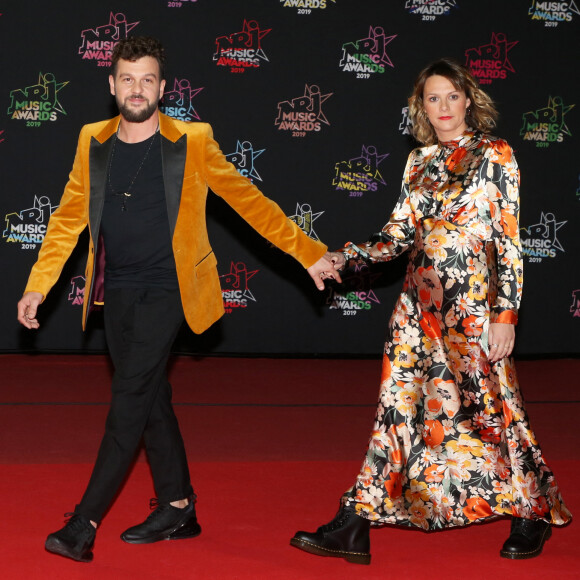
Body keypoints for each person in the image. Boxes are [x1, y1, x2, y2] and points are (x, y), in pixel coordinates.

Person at [17, 36, 341, 564]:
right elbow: (67, 220)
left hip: (169, 290)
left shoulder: (192, 140)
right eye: (127, 78)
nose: (137, 88)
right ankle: (178, 504)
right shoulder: (91, 140)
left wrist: (306, 253)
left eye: (147, 79)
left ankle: (83, 522)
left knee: (127, 402)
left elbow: (246, 200)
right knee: (149, 400)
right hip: (117, 291)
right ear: (111, 85)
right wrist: (38, 284)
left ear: (162, 87)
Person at [290, 58, 572, 565]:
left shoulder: (495, 154)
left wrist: (505, 314)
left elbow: (508, 242)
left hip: (473, 310)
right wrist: (345, 257)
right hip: (415, 311)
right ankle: (356, 522)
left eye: (451, 96)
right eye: (432, 98)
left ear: (469, 99)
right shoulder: (418, 161)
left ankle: (532, 510)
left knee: (495, 410)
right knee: (394, 408)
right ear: (421, 107)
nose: (442, 107)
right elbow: (397, 237)